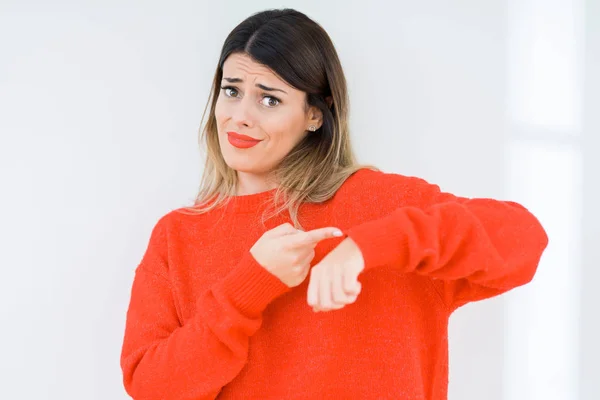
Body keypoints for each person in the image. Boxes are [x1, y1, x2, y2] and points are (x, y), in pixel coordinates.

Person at [119, 8, 548, 400]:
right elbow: (152, 387)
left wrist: (368, 245)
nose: (241, 116)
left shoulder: (381, 203)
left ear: (314, 116)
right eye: (232, 91)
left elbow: (524, 239)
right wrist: (250, 286)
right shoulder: (180, 235)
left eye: (270, 99)